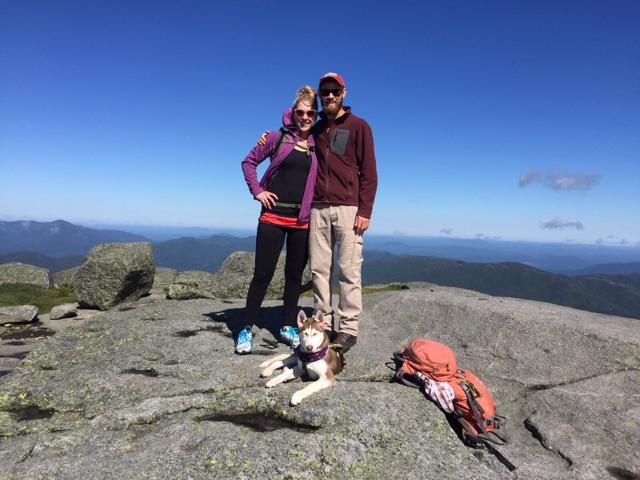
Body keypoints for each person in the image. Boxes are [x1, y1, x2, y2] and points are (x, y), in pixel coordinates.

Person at [238, 86, 319, 354]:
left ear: (316, 115)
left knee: (294, 275)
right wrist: (258, 191)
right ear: (292, 113)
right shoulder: (276, 138)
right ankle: (246, 328)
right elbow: (249, 162)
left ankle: (287, 325)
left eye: (310, 112)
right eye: (301, 112)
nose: (305, 117)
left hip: (302, 220)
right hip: (272, 216)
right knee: (262, 274)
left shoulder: (319, 143)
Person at [309, 72, 378, 353]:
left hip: (349, 209)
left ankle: (348, 328)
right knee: (318, 270)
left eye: (334, 91)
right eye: (324, 92)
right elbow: (292, 121)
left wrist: (365, 210)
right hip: (317, 208)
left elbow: (370, 173)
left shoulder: (359, 127)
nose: (329, 96)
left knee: (349, 270)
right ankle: (322, 323)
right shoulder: (315, 130)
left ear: (344, 93)